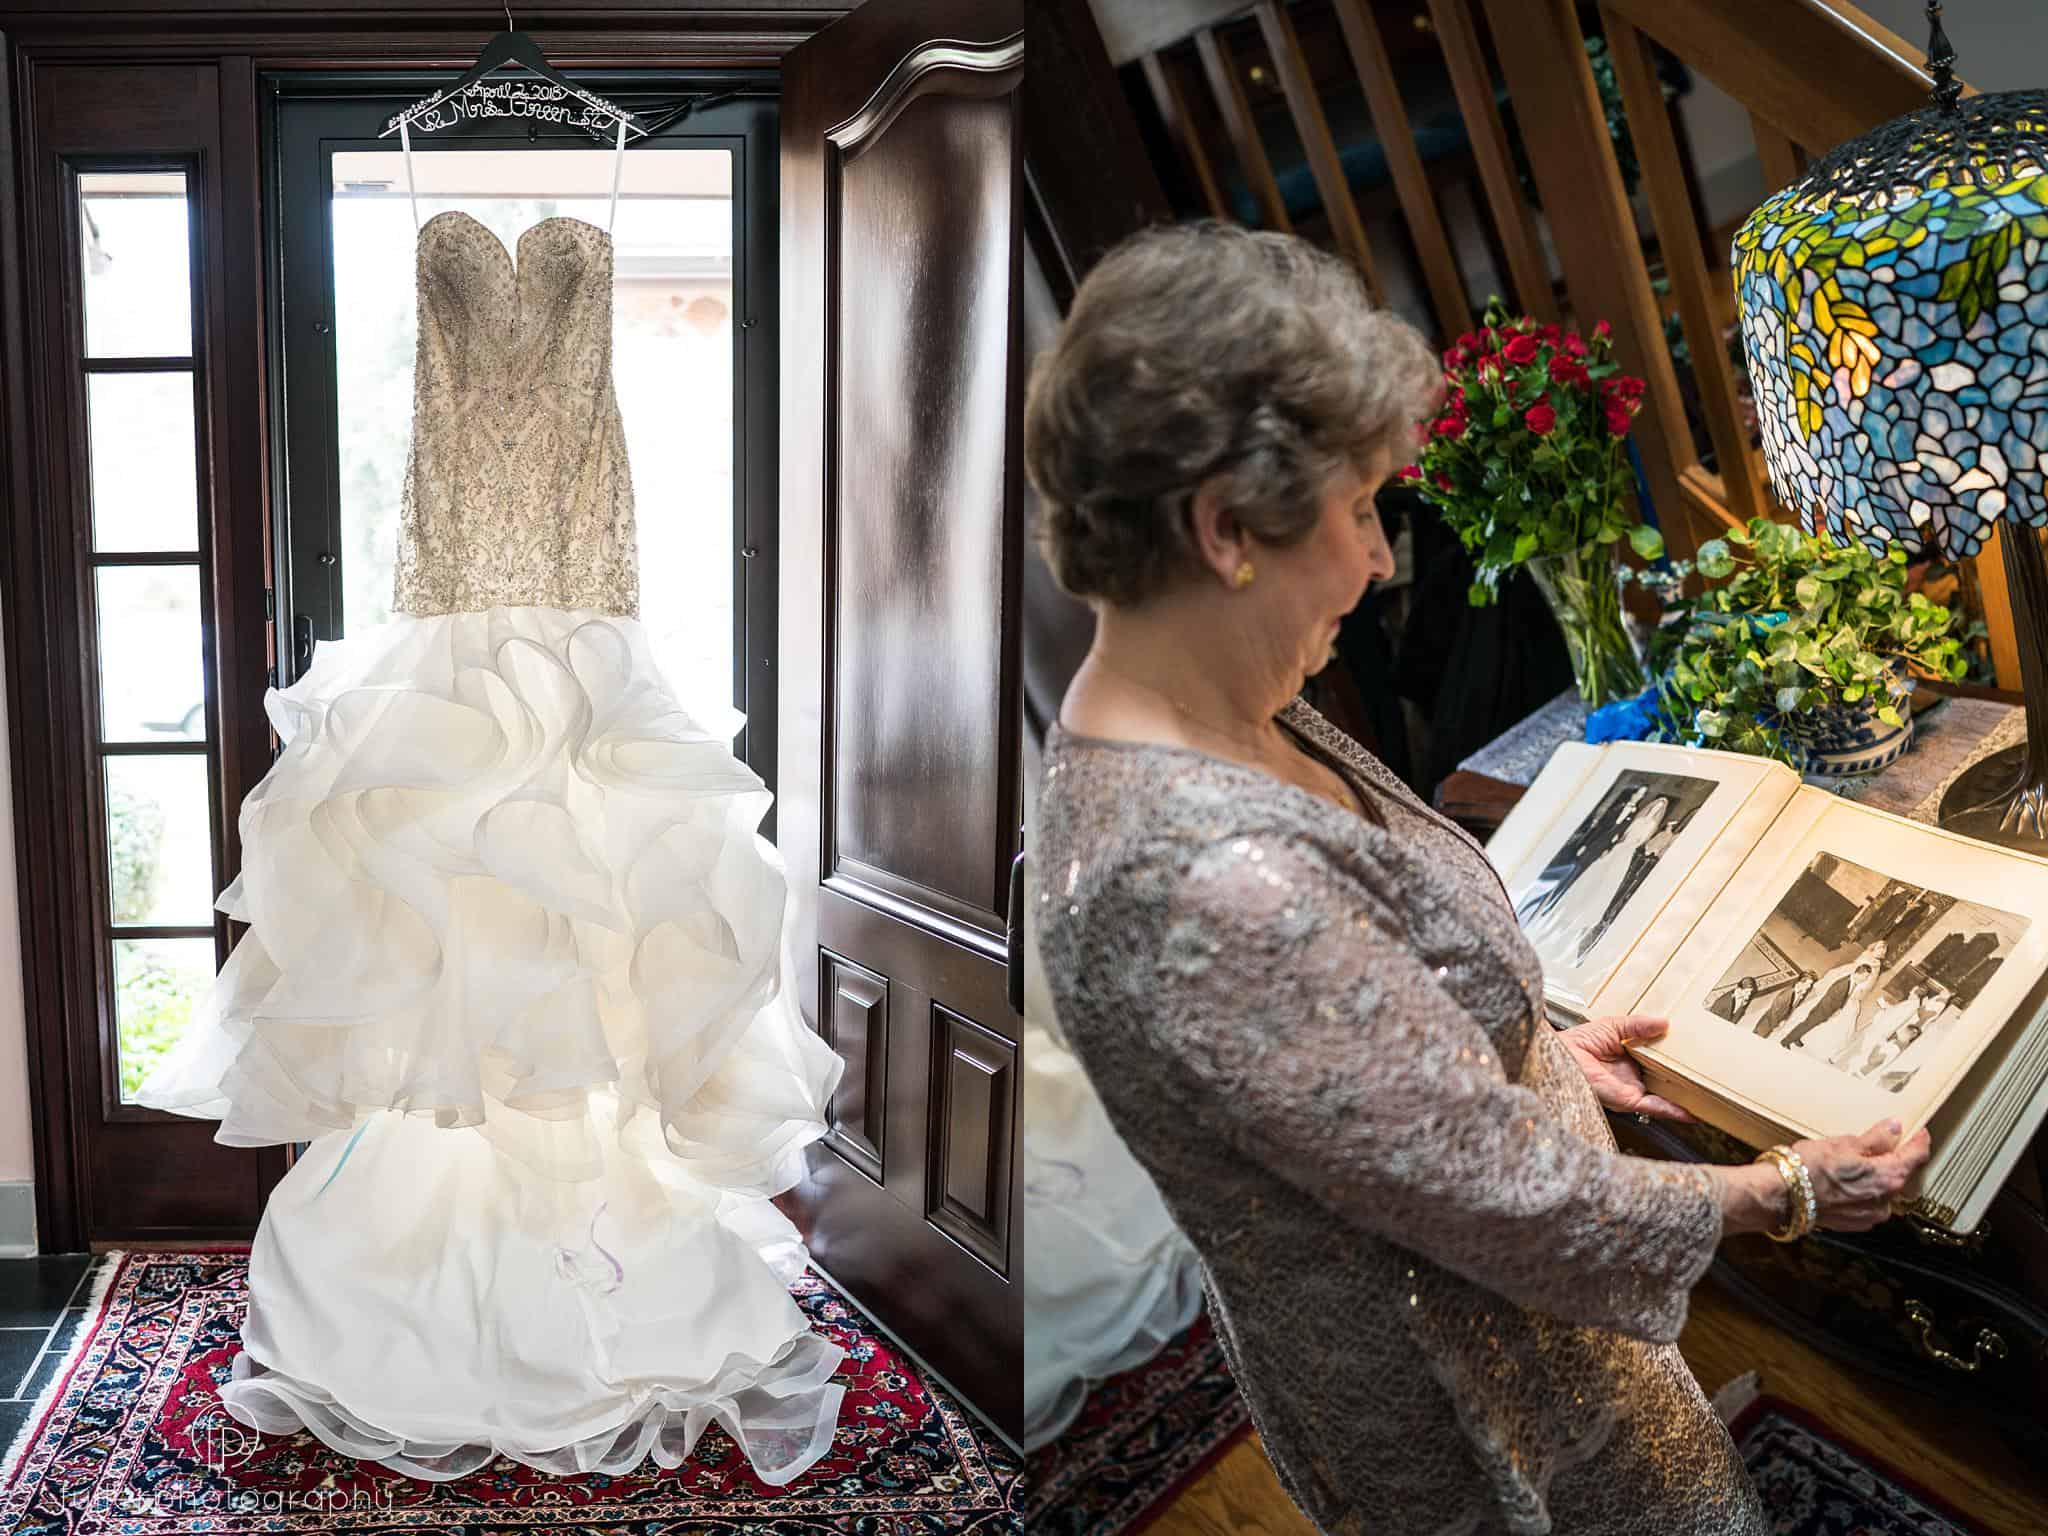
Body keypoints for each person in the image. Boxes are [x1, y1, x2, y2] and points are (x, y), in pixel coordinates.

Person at [1025, 220, 1930, 1536]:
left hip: (1509, 1317)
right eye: (1357, 513)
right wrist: (1789, 1192)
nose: (1379, 559)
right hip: (1478, 1385)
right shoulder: (1209, 882)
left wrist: (1537, 1059)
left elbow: (1343, 1077)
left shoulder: (1203, 707)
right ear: (1224, 531)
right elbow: (1509, 1208)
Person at [133, 126, 848, 1483]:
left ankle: (582, 1286)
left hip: (589, 653)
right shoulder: (422, 180)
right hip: (448, 646)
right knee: (458, 955)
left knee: (588, 954)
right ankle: (435, 1305)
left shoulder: (612, 171)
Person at [1783, 945, 1887, 1056]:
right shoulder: (1842, 985)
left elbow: (1844, 997)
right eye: (1864, 977)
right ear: (1858, 974)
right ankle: (1786, 1041)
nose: (1865, 979)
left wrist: (1838, 1009)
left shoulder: (1852, 982)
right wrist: (1830, 1012)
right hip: (1823, 1009)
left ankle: (1797, 1037)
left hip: (1828, 1009)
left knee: (1810, 1025)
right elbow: (1831, 999)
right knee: (1808, 1024)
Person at [1751, 970, 1816, 1040]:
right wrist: (1775, 1025)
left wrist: (1785, 1019)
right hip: (1769, 1021)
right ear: (1801, 982)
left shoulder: (1801, 993)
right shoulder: (1784, 996)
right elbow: (1773, 1013)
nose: (1809, 986)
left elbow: (1792, 1007)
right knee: (1759, 1035)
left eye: (1810, 984)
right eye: (1808, 984)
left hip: (1781, 1016)